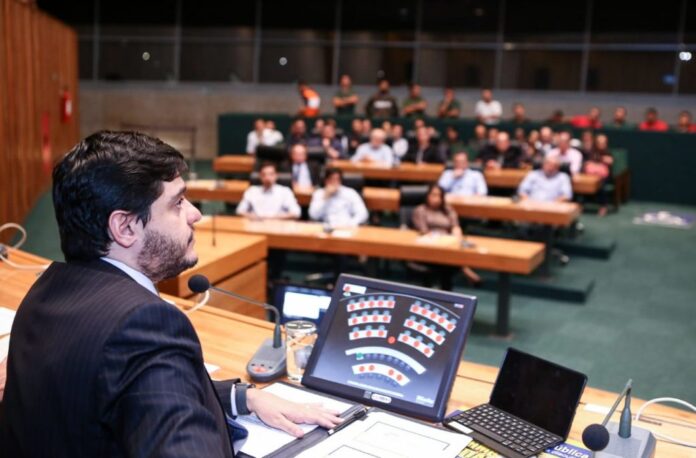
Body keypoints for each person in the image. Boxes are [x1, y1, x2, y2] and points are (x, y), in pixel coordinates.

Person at [0, 131, 342, 457]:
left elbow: (120, 390)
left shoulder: (46, 291)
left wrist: (242, 398)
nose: (196, 214)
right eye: (177, 202)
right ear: (125, 227)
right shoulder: (146, 325)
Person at [411, 184, 480, 288]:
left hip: (448, 243)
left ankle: (456, 276)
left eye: (439, 195)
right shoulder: (421, 210)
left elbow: (455, 226)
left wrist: (457, 234)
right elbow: (423, 230)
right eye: (433, 195)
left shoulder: (447, 210)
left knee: (449, 257)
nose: (436, 198)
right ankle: (465, 270)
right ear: (427, 196)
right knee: (447, 261)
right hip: (430, 246)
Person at [236, 162, 301, 220]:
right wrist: (254, 217)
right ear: (260, 176)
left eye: (271, 174)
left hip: (278, 226)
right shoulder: (252, 191)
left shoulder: (285, 191)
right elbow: (239, 211)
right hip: (255, 226)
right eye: (264, 175)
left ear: (276, 176)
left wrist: (273, 218)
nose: (267, 178)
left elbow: (296, 213)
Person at [584, 133, 614, 216]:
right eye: (599, 143)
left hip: (604, 177)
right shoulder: (592, 152)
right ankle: (582, 203)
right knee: (583, 183)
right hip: (591, 175)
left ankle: (603, 206)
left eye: (603, 143)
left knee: (601, 185)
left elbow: (610, 161)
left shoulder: (608, 152)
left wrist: (600, 160)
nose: (601, 144)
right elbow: (587, 163)